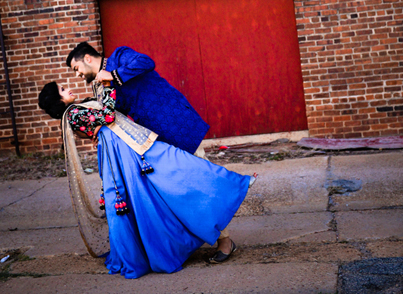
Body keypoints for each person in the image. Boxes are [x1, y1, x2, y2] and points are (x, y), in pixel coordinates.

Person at [38, 81, 255, 279]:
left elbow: (105, 117)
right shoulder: (73, 113)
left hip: (125, 148)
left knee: (167, 175)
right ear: (58, 100)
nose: (69, 88)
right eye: (63, 90)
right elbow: (108, 116)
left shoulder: (78, 109)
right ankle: (233, 183)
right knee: (171, 170)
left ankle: (232, 183)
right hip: (124, 151)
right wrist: (108, 87)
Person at [66, 41, 235, 263]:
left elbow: (146, 62)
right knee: (179, 191)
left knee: (201, 181)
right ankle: (193, 240)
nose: (77, 74)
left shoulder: (120, 56)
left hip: (177, 125)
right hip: (153, 140)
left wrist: (113, 75)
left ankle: (226, 240)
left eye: (76, 68)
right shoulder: (99, 87)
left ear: (87, 58)